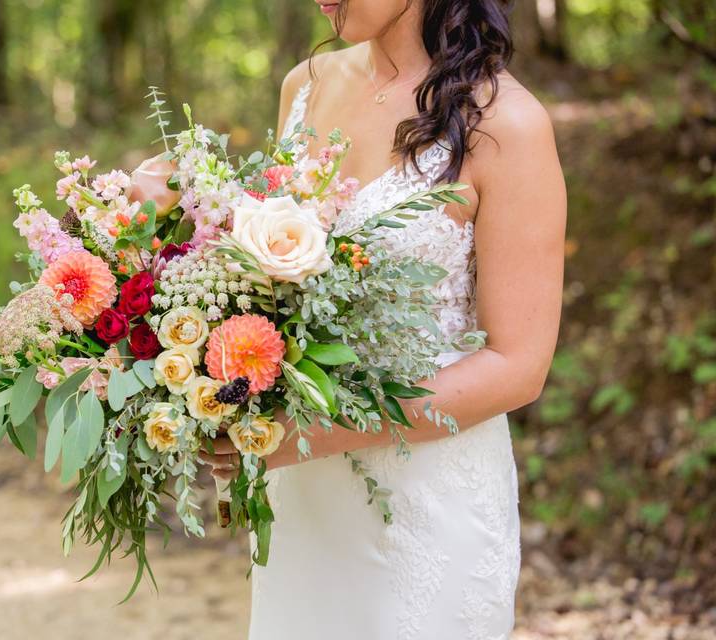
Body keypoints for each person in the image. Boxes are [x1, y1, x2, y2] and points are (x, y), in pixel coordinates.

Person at [201, 0, 566, 638]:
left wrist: (311, 432)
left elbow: (519, 367)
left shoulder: (506, 124)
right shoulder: (304, 87)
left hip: (429, 505)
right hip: (307, 507)